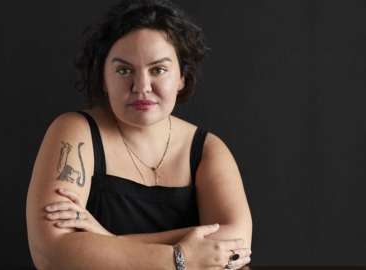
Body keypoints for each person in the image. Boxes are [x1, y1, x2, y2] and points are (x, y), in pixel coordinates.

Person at [26, 0, 252, 269]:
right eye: (124, 70)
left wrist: (107, 239)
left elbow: (236, 244)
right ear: (104, 78)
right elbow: (51, 255)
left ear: (181, 77)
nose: (141, 87)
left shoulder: (207, 148)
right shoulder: (75, 131)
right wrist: (182, 258)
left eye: (158, 69)